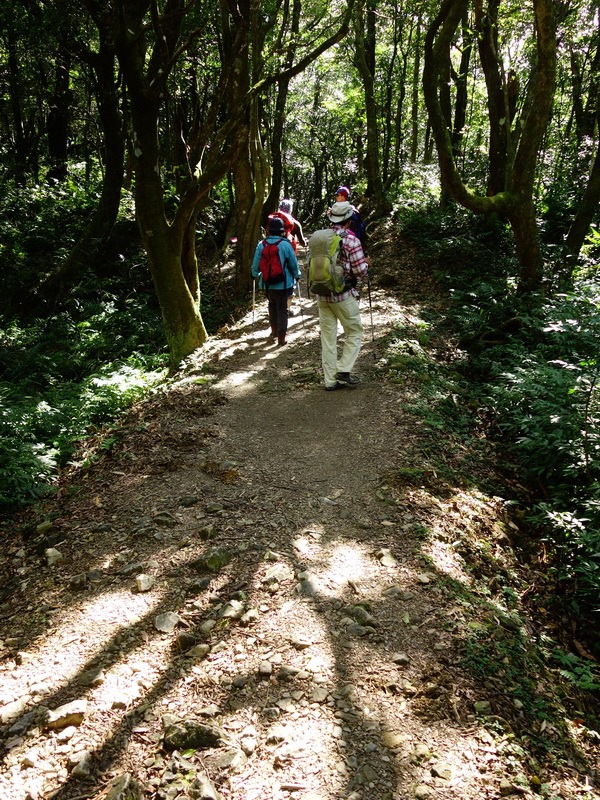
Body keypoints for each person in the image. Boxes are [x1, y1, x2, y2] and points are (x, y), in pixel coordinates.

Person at [318, 200, 371, 391]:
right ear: (348, 220)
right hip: (342, 295)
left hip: (322, 294)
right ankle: (343, 369)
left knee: (328, 338)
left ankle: (330, 381)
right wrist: (366, 263)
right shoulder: (351, 240)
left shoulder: (320, 237)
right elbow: (360, 271)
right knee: (355, 331)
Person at [251, 216, 301, 347]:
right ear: (282, 231)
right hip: (284, 284)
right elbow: (293, 264)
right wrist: (297, 275)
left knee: (271, 305)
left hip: (267, 283)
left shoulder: (261, 245)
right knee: (283, 309)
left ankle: (273, 331)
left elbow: (255, 265)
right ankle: (281, 338)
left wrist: (254, 274)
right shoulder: (286, 245)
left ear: (268, 230)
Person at [329, 186, 367, 251]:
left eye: (337, 195)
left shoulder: (351, 213)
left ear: (343, 197)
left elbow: (351, 232)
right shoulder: (337, 210)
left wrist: (338, 237)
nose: (336, 197)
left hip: (350, 245)